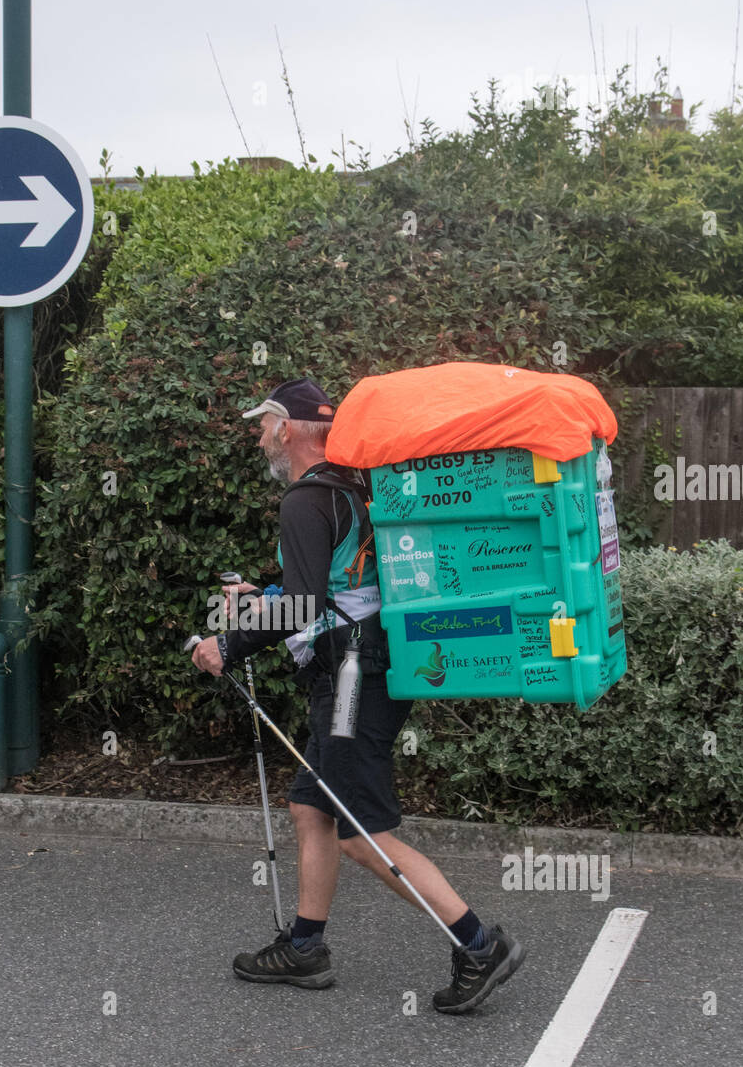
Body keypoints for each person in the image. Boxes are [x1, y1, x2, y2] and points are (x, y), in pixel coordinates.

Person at [191, 377, 525, 1014]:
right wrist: (265, 597)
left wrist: (227, 645)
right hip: (369, 664)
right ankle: (306, 947)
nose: (260, 436)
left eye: (263, 425)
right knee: (311, 808)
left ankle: (480, 945)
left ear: (288, 429)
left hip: (350, 679)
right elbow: (339, 586)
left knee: (362, 833)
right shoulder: (356, 488)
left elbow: (308, 604)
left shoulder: (303, 500)